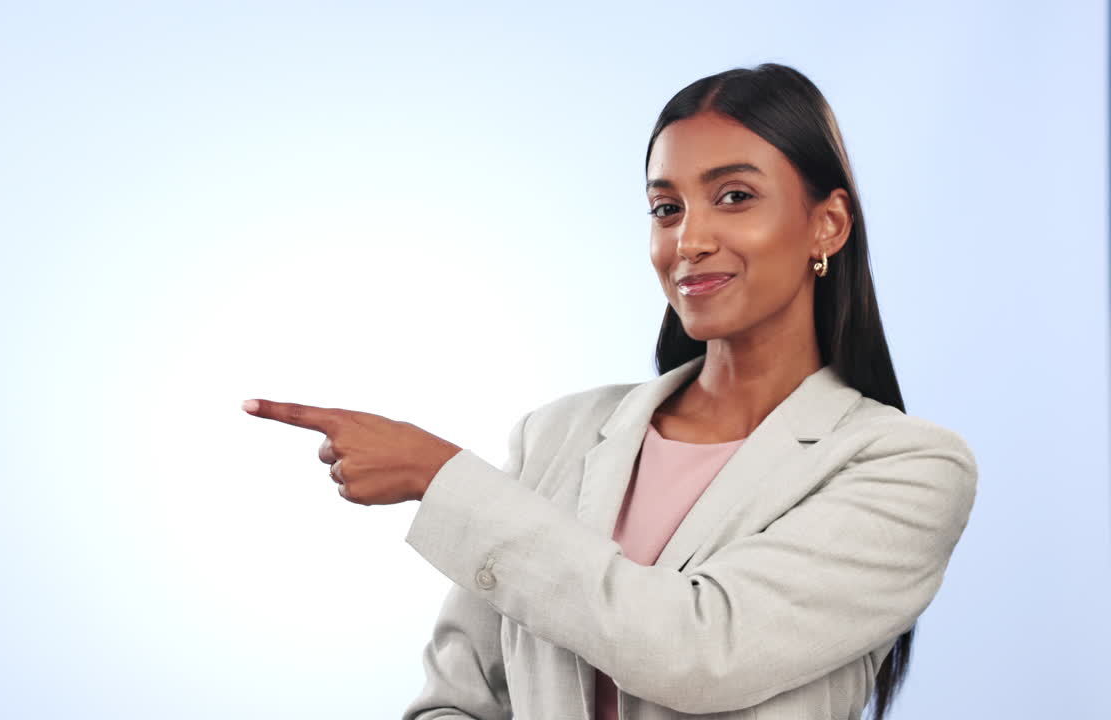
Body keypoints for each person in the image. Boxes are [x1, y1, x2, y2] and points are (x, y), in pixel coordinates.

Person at [242, 62, 977, 720]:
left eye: (733, 196)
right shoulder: (556, 434)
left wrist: (440, 477)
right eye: (666, 208)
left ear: (828, 224)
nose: (689, 239)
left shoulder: (907, 468)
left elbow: (699, 652)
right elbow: (460, 698)